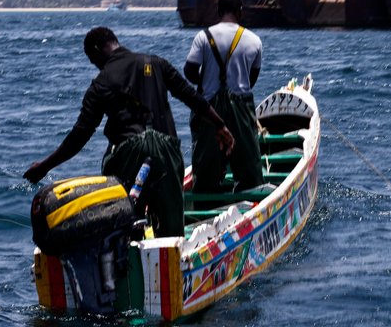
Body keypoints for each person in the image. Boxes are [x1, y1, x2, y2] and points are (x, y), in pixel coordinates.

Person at [23, 26, 234, 237]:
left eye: (92, 59)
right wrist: (220, 125)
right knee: (171, 228)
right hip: (166, 152)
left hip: (129, 154)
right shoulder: (155, 63)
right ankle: (174, 257)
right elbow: (191, 97)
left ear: (97, 49)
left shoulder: (100, 84)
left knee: (125, 221)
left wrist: (45, 166)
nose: (94, 65)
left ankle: (126, 256)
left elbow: (79, 136)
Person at [184, 0, 264, 193]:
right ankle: (250, 198)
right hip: (241, 108)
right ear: (240, 12)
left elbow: (189, 70)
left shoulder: (203, 37)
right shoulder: (254, 41)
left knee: (206, 164)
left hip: (209, 107)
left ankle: (206, 197)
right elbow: (252, 79)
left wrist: (205, 84)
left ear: (218, 11)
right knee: (248, 165)